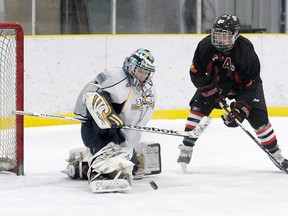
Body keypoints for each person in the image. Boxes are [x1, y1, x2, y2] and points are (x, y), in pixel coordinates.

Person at [177, 14, 288, 173]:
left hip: (244, 86)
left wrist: (239, 110)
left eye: (225, 35)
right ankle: (186, 147)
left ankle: (277, 155)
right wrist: (210, 91)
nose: (220, 39)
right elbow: (196, 73)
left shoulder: (246, 52)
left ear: (235, 36)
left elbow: (251, 85)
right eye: (218, 34)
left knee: (259, 118)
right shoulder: (205, 46)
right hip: (218, 83)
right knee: (198, 106)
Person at [66, 48, 156, 192]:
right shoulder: (114, 76)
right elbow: (90, 95)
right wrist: (106, 122)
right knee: (111, 164)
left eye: (146, 72)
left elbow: (138, 122)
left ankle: (83, 164)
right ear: (131, 66)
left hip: (119, 136)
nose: (143, 75)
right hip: (97, 131)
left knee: (130, 164)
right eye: (140, 70)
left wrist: (127, 143)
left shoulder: (148, 92)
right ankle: (96, 170)